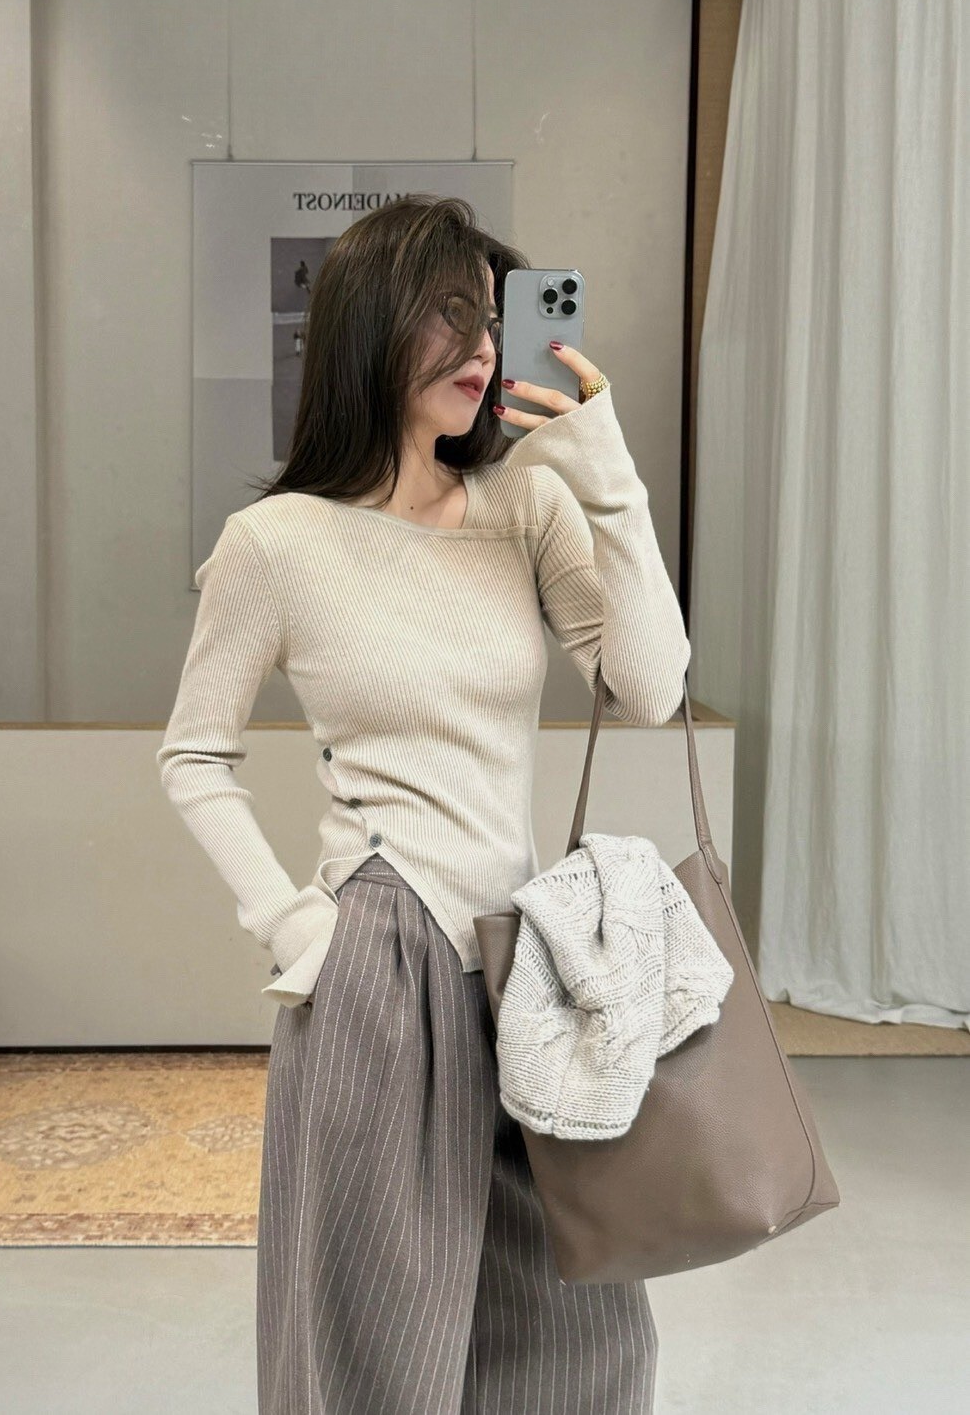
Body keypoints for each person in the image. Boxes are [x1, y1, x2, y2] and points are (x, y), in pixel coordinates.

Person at [156, 194, 690, 1413]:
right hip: (378, 961)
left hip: (532, 968)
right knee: (375, 1348)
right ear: (374, 326)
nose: (485, 349)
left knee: (581, 1344)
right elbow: (193, 755)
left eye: (494, 323)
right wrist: (295, 926)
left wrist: (608, 478)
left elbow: (651, 688)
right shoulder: (276, 542)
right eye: (453, 317)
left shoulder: (525, 508)